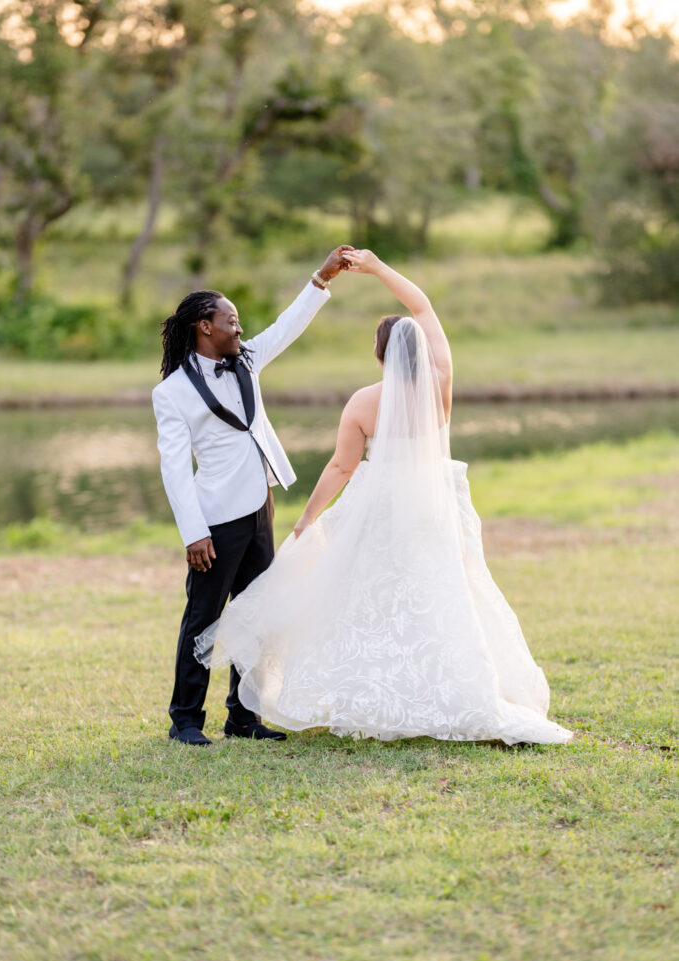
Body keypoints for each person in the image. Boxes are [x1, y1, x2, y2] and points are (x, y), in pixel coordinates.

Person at [194, 250, 573, 746]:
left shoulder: (364, 403)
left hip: (381, 511)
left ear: (379, 355)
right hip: (435, 509)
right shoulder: (441, 383)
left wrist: (308, 517)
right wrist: (377, 268)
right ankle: (458, 691)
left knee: (372, 599)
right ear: (421, 351)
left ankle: (370, 694)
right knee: (441, 596)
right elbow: (423, 307)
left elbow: (341, 467)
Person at [153, 246, 352, 745]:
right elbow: (175, 470)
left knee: (260, 614)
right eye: (231, 320)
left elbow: (286, 327)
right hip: (215, 521)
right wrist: (193, 533)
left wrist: (320, 279)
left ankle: (244, 718)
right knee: (204, 619)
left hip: (260, 508)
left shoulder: (246, 360)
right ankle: (185, 721)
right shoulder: (172, 393)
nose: (239, 329)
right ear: (204, 325)